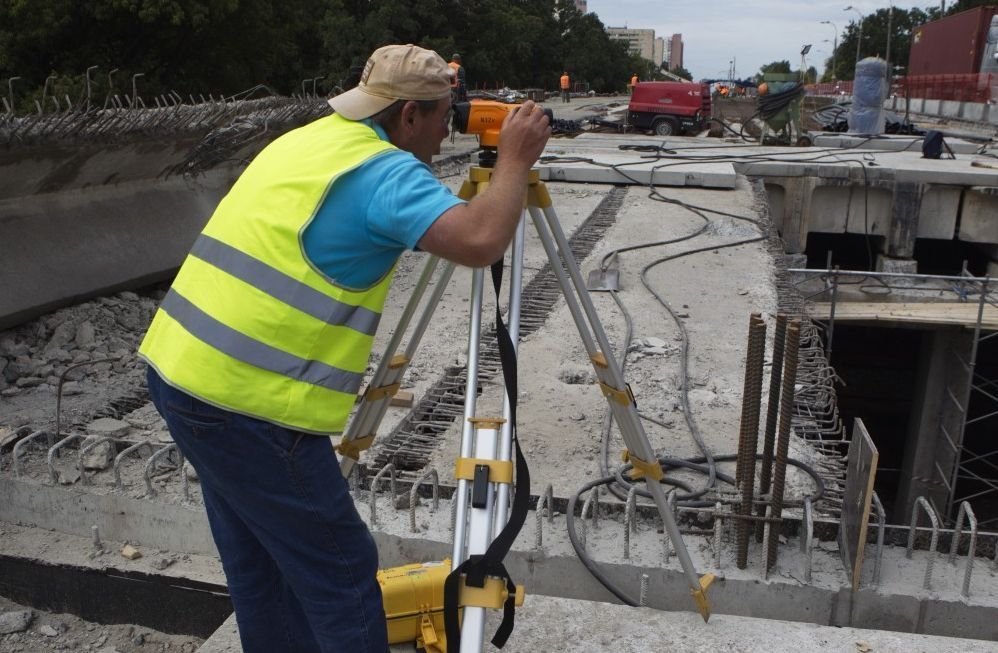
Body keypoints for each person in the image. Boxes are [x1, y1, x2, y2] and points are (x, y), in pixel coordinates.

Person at [138, 43, 550, 653]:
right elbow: (482, 237)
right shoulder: (383, 174)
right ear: (409, 115)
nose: (448, 131)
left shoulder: (311, 140)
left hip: (182, 374)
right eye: (442, 116)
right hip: (251, 405)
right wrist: (514, 160)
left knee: (263, 567)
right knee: (343, 575)